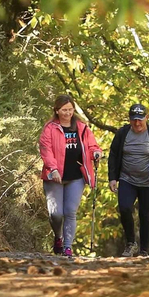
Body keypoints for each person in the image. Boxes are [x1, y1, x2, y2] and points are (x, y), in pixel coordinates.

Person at [38, 94, 102, 257]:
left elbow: (93, 145)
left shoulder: (82, 128)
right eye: (64, 110)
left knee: (70, 211)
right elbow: (46, 151)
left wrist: (96, 153)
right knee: (56, 213)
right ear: (57, 110)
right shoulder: (50, 129)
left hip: (76, 176)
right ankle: (58, 236)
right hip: (55, 177)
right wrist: (53, 169)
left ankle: (67, 246)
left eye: (70, 110)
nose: (67, 113)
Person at [107, 104, 149, 257]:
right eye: (134, 120)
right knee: (125, 208)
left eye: (140, 120)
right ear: (129, 119)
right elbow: (113, 155)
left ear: (146, 118)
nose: (137, 123)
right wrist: (112, 178)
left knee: (145, 214)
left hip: (148, 181)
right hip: (127, 179)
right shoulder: (123, 133)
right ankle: (131, 243)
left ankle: (144, 250)